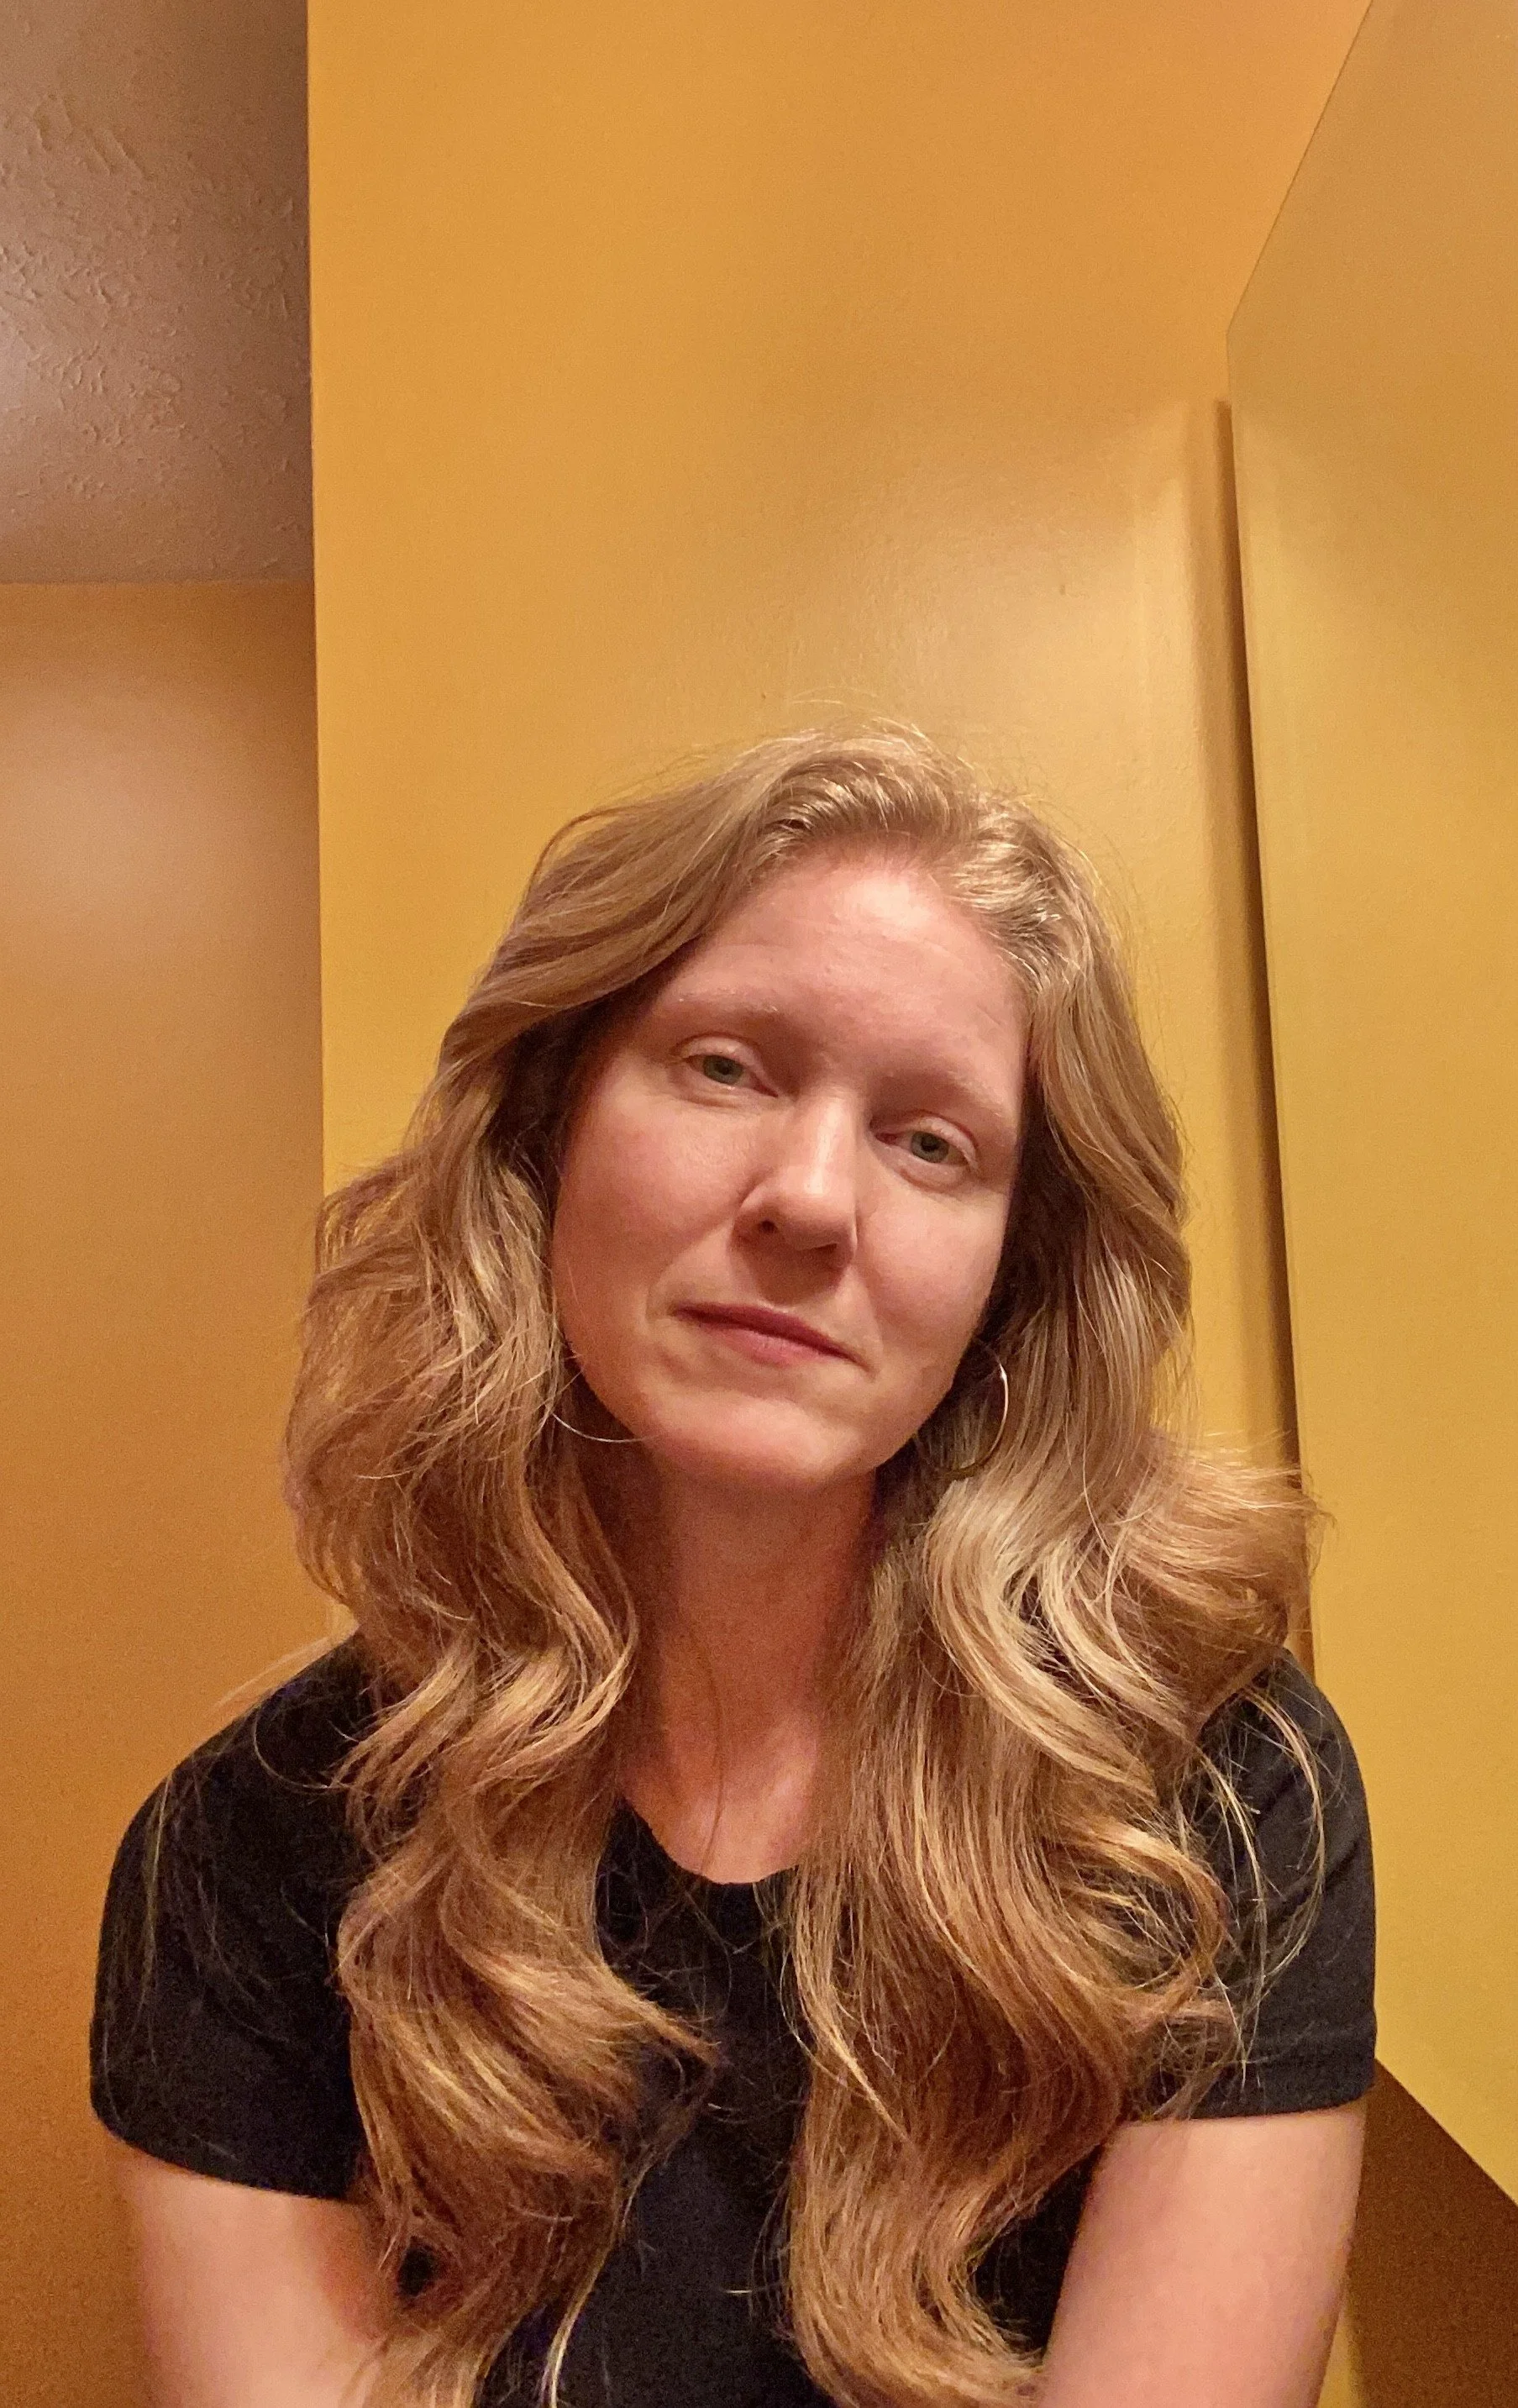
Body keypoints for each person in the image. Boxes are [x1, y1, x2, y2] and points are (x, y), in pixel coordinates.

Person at [92, 728, 1375, 2408]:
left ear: (1009, 1274)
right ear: (547, 1132)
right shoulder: (245, 1850)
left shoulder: (1215, 1794)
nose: (812, 1198)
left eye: (932, 1140)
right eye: (726, 1066)